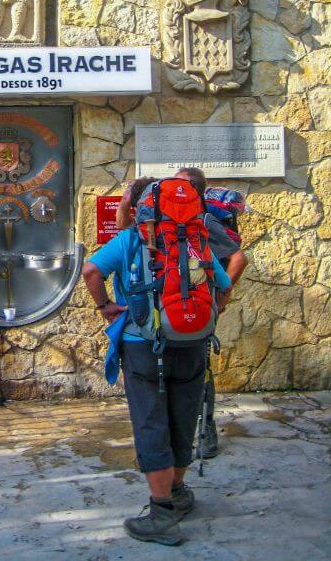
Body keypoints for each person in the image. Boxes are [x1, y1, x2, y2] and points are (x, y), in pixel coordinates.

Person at [83, 178, 232, 546]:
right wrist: (201, 318)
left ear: (140, 209)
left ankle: (161, 512)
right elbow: (224, 285)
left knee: (152, 421)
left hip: (142, 346)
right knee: (183, 416)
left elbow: (90, 272)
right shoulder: (196, 241)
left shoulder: (132, 240)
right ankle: (179, 493)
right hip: (193, 343)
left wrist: (105, 307)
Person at [174, 167, 248, 458]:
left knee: (200, 367)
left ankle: (206, 430)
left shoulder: (204, 221)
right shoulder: (169, 219)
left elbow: (238, 259)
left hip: (202, 307)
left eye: (179, 186)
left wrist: (221, 298)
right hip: (174, 306)